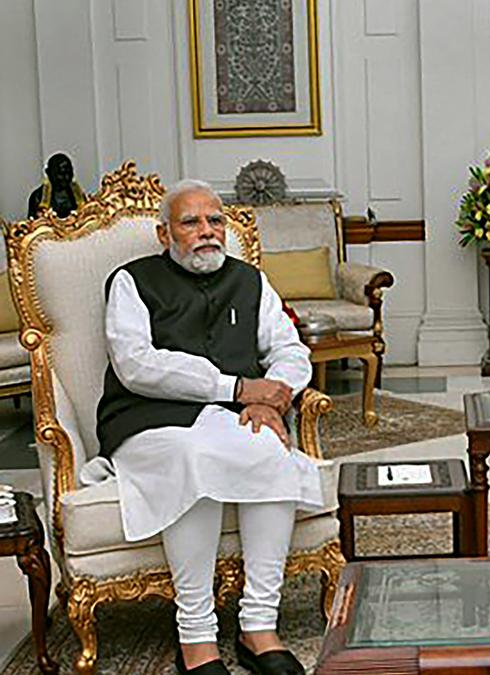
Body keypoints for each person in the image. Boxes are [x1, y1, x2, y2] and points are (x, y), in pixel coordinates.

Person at [89, 179, 322, 675]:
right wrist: (239, 389)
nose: (207, 231)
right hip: (145, 420)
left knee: (270, 452)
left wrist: (275, 398)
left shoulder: (250, 280)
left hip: (230, 417)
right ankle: (196, 637)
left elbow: (290, 349)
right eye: (190, 222)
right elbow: (137, 365)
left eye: (215, 220)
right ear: (163, 233)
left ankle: (258, 626)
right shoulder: (130, 281)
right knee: (192, 459)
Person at [27, 153, 86, 219]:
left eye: (69, 173)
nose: (67, 177)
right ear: (48, 173)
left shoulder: (78, 195)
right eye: (61, 174)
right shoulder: (38, 197)